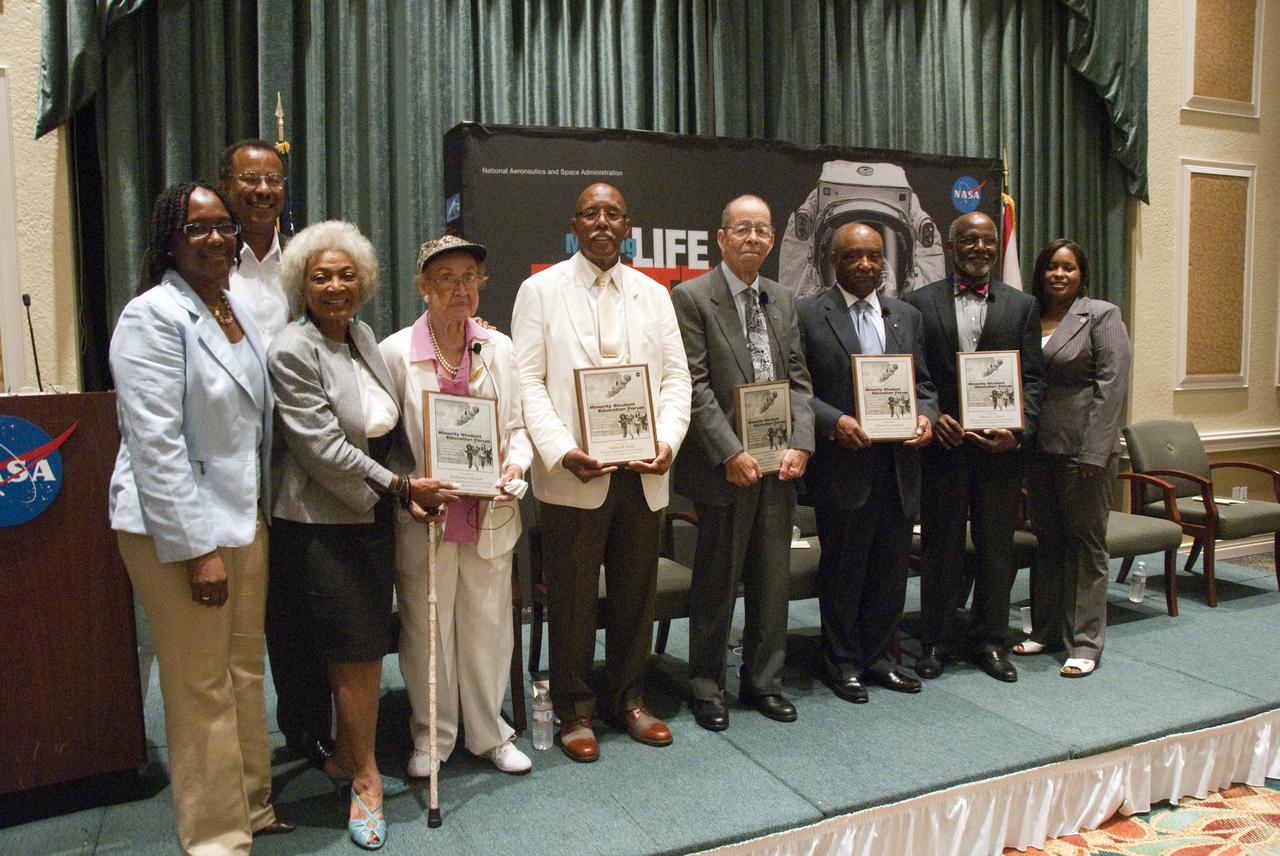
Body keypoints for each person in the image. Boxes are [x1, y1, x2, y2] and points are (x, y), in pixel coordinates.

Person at [109, 182, 292, 853]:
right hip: (177, 532)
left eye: (224, 225)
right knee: (200, 686)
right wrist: (197, 550)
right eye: (197, 226)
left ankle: (253, 806)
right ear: (169, 239)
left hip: (243, 518)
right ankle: (217, 839)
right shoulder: (151, 316)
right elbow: (155, 444)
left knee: (244, 671)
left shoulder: (232, 304)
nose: (216, 237)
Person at [268, 220, 454, 850]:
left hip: (369, 512)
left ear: (364, 282)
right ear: (302, 284)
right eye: (321, 276)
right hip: (321, 523)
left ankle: (350, 756)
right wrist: (402, 488)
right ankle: (367, 780)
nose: (335, 286)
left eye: (346, 275)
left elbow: (384, 428)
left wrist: (404, 490)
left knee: (365, 643)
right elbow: (323, 449)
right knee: (355, 652)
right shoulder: (291, 350)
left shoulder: (364, 335)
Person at [512, 182, 691, 762]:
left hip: (643, 471)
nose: (602, 222)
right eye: (590, 213)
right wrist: (562, 450)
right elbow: (527, 382)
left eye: (613, 213)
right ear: (574, 226)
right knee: (573, 597)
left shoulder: (654, 294)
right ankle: (575, 709)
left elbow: (676, 379)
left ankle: (629, 699)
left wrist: (667, 441)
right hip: (574, 474)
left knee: (636, 593)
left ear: (627, 226)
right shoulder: (540, 291)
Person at [380, 235, 534, 776]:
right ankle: (433, 737)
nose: (459, 289)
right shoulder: (395, 352)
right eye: (445, 279)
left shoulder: (500, 348)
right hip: (427, 517)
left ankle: (489, 732)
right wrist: (409, 487)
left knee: (488, 625)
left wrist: (517, 466)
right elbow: (383, 444)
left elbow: (517, 427)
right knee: (428, 628)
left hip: (488, 512)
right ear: (423, 287)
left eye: (469, 277)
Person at [671, 194, 814, 731]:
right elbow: (695, 385)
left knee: (772, 581)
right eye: (742, 228)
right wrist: (729, 451)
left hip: (779, 466)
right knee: (717, 582)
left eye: (762, 229)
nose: (752, 237)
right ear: (721, 237)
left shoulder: (782, 298)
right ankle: (707, 686)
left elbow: (799, 381)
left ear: (773, 240)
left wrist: (801, 442)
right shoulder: (691, 298)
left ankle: (763, 682)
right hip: (723, 468)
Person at [218, 137, 334, 772]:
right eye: (250, 180)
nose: (263, 191)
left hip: (299, 454)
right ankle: (231, 748)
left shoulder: (305, 259)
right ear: (227, 188)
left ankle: (308, 728)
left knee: (295, 606)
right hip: (233, 455)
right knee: (235, 616)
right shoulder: (211, 262)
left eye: (274, 181)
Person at [797, 223, 938, 702]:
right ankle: (841, 663)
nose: (864, 265)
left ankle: (879, 659)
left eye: (874, 256)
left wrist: (926, 417)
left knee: (890, 571)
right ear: (832, 261)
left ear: (885, 263)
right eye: (853, 256)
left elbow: (924, 385)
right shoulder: (808, 315)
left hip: (899, 467)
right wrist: (834, 421)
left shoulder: (906, 316)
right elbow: (798, 390)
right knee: (844, 571)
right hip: (844, 465)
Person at [903, 211, 1045, 683]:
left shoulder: (1022, 306)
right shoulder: (918, 304)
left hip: (998, 453)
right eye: (969, 240)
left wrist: (1017, 430)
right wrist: (928, 416)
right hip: (943, 449)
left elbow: (1033, 380)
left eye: (987, 241)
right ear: (951, 246)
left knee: (996, 550)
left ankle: (990, 641)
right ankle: (935, 641)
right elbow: (912, 374)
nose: (979, 248)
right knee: (940, 548)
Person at [1014, 239, 1130, 678]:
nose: (1059, 275)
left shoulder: (1101, 315)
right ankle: (1045, 629)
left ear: (1082, 275)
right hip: (1038, 449)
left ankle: (1084, 642)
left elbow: (1111, 386)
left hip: (1084, 452)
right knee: (1047, 542)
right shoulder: (1029, 316)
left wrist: (1096, 449)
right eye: (1051, 267)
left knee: (1085, 544)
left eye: (1068, 268)